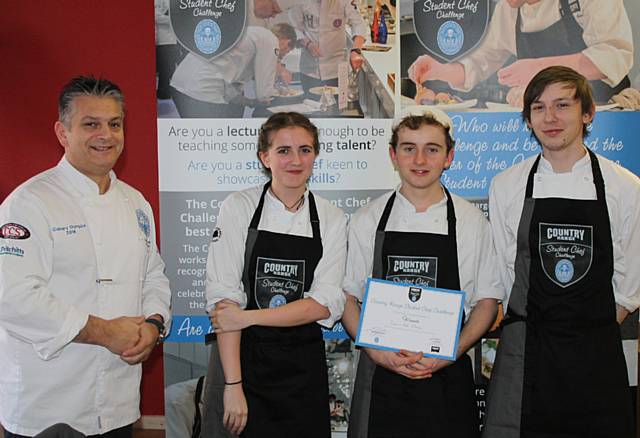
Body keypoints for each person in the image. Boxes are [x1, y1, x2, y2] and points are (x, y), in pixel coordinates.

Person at [0, 76, 172, 438]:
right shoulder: (29, 203)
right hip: (48, 405)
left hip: (119, 404)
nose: (105, 135)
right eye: (90, 124)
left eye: (114, 124)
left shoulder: (135, 203)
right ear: (62, 132)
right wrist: (105, 332)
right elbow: (13, 298)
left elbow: (154, 274)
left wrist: (154, 324)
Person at [484, 66, 640, 437]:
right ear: (528, 118)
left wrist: (585, 330)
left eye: (562, 105)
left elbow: (631, 283)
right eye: (538, 107)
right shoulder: (507, 186)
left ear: (587, 114)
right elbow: (507, 273)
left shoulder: (625, 187)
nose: (550, 118)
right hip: (528, 352)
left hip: (595, 353)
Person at [341, 107, 503, 437]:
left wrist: (450, 353)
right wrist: (379, 354)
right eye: (408, 148)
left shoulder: (473, 222)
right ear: (393, 155)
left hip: (448, 377)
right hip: (381, 377)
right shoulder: (367, 220)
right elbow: (346, 298)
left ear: (449, 156)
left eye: (432, 149)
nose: (419, 159)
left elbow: (487, 302)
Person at [202, 112, 347, 437]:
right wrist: (233, 385)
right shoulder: (239, 207)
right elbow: (225, 304)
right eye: (283, 151)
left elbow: (322, 306)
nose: (295, 160)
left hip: (301, 370)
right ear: (264, 157)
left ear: (316, 155)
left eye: (305, 150)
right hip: (239, 362)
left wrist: (249, 317)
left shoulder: (331, 218)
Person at [408, 0, 633, 105]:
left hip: (604, 116)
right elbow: (481, 62)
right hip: (549, 121)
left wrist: (539, 69)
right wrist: (441, 70)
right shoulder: (508, 10)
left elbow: (616, 54)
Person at [169, 23, 297, 118]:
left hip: (181, 84)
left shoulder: (250, 34)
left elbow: (229, 79)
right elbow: (263, 93)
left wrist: (247, 101)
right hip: (203, 91)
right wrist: (272, 95)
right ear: (287, 41)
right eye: (287, 51)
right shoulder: (270, 39)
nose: (282, 55)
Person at [288, 0, 367, 93]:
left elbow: (358, 23)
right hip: (310, 68)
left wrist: (355, 50)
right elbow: (294, 28)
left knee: (337, 106)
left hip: (336, 68)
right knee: (310, 104)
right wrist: (307, 44)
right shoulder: (300, 2)